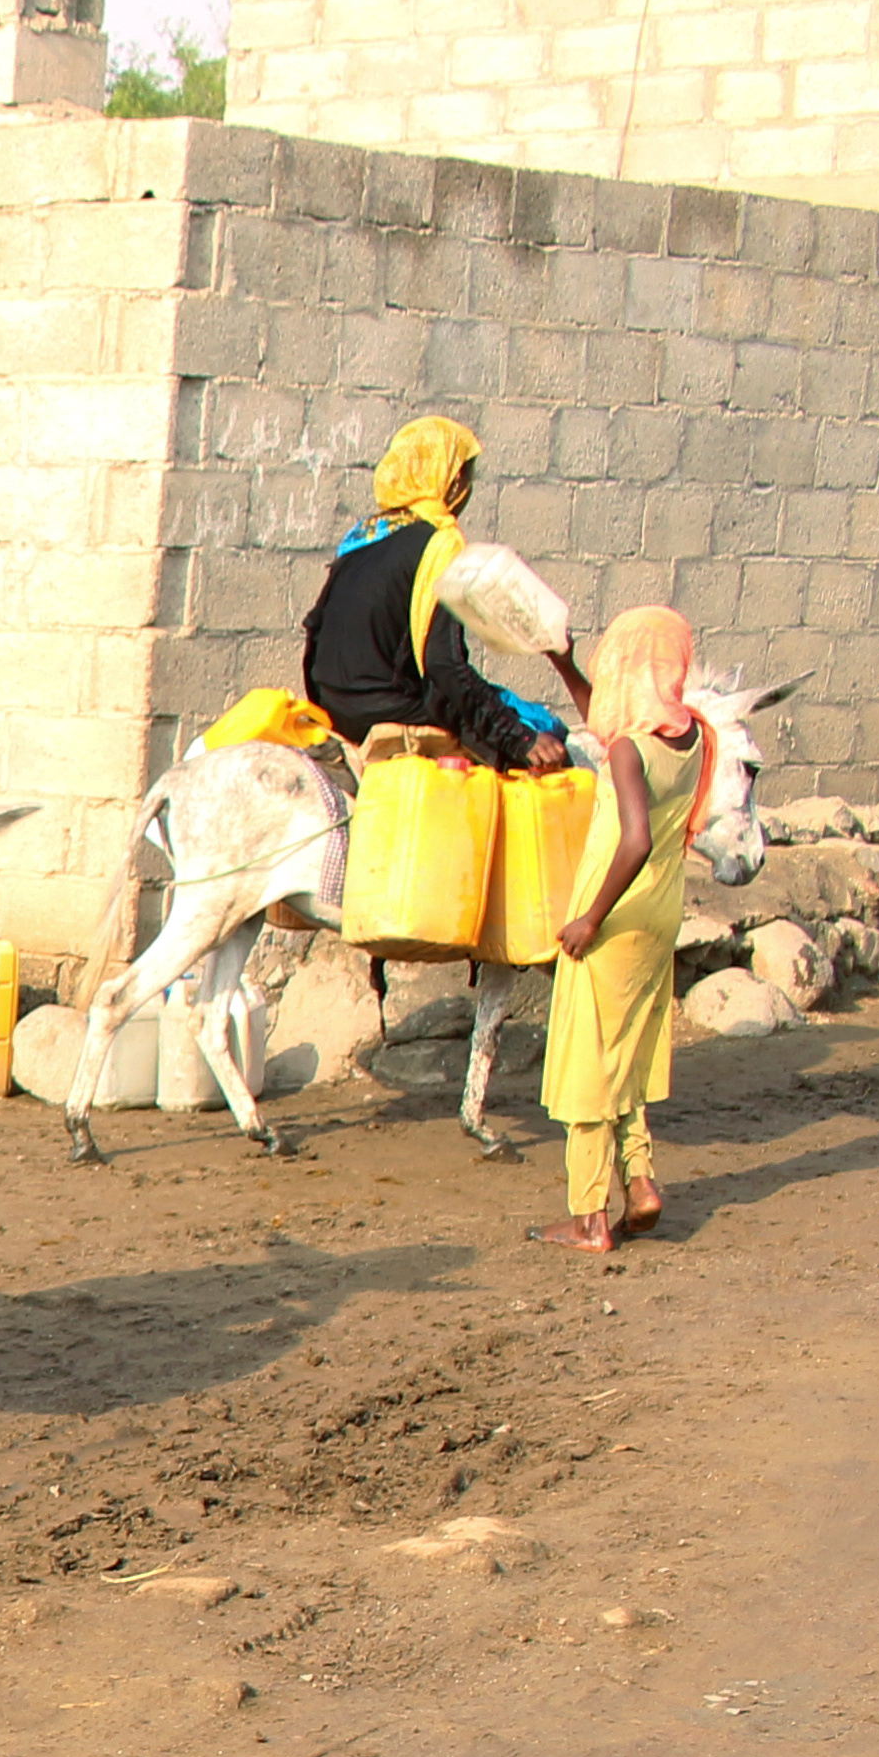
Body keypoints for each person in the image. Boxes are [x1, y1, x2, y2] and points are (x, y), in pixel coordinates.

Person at [538, 607, 709, 1254]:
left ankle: (588, 1219)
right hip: (661, 914)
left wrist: (590, 917)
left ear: (628, 666)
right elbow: (610, 726)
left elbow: (633, 839)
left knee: (589, 1062)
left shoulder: (632, 751)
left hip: (618, 917)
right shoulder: (692, 738)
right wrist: (562, 662)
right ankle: (640, 1183)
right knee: (628, 1054)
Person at [301, 415, 583, 768]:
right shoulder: (439, 542)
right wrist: (519, 738)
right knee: (547, 729)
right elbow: (443, 664)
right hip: (391, 707)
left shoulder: (365, 538)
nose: (467, 486)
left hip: (334, 706)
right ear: (448, 479)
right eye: (465, 474)